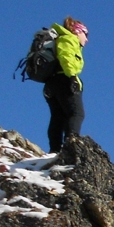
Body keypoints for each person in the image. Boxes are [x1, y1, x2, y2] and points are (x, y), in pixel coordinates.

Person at [44, 16, 88, 152]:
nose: (86, 39)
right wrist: (72, 77)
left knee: (58, 116)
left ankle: (55, 150)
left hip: (52, 83)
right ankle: (71, 145)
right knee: (77, 113)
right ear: (78, 32)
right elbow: (66, 57)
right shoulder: (69, 39)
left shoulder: (62, 39)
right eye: (85, 34)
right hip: (64, 80)